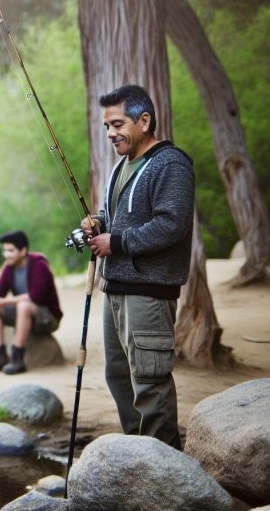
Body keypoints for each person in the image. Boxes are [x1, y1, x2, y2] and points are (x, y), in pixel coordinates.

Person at [78, 84, 194, 450]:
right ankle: (138, 458)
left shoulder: (171, 164)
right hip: (116, 291)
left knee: (149, 382)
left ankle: (164, 468)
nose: (111, 133)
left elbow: (173, 224)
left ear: (144, 121)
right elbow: (117, 218)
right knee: (119, 377)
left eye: (117, 124)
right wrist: (97, 223)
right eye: (107, 127)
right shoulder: (122, 166)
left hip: (148, 293)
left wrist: (117, 242)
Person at [0, 230, 63, 375]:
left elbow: (35, 297)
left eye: (11, 250)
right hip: (24, 314)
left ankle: (17, 357)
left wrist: (3, 301)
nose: (6, 254)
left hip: (48, 318)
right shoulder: (9, 267)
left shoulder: (39, 265)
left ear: (23, 250)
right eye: (5, 250)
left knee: (23, 306)